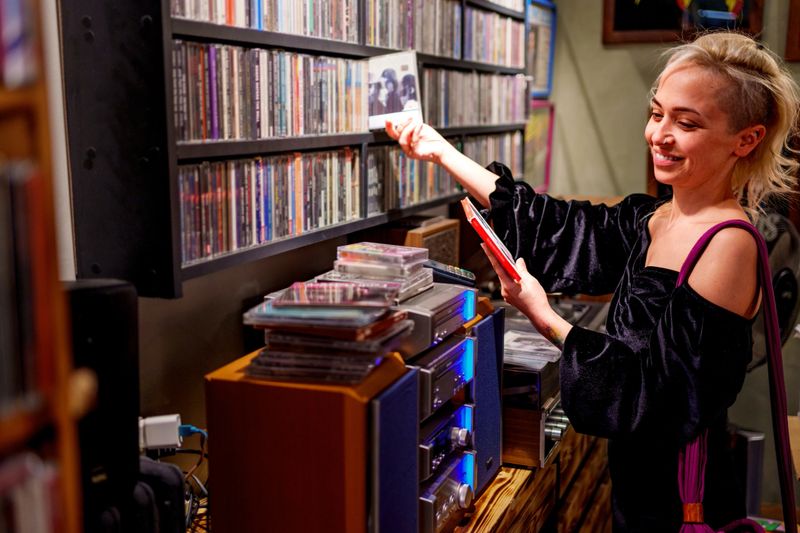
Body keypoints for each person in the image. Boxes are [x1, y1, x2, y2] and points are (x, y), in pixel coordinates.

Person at [386, 32, 800, 531]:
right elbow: (558, 225)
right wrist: (440, 152)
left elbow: (657, 402)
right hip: (637, 489)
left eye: (686, 122)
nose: (659, 134)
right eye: (657, 113)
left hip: (680, 504)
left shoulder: (727, 245)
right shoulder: (655, 218)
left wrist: (547, 319)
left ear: (746, 139)